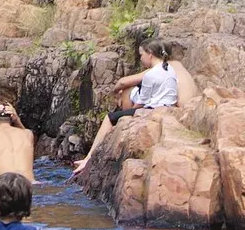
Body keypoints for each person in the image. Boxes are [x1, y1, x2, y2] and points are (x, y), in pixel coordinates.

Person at [72, 39, 181, 173]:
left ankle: (88, 158)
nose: (141, 59)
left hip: (151, 110)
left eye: (141, 55)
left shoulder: (151, 75)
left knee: (109, 118)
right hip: (168, 107)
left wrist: (128, 114)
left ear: (150, 54)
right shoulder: (170, 69)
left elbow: (141, 103)